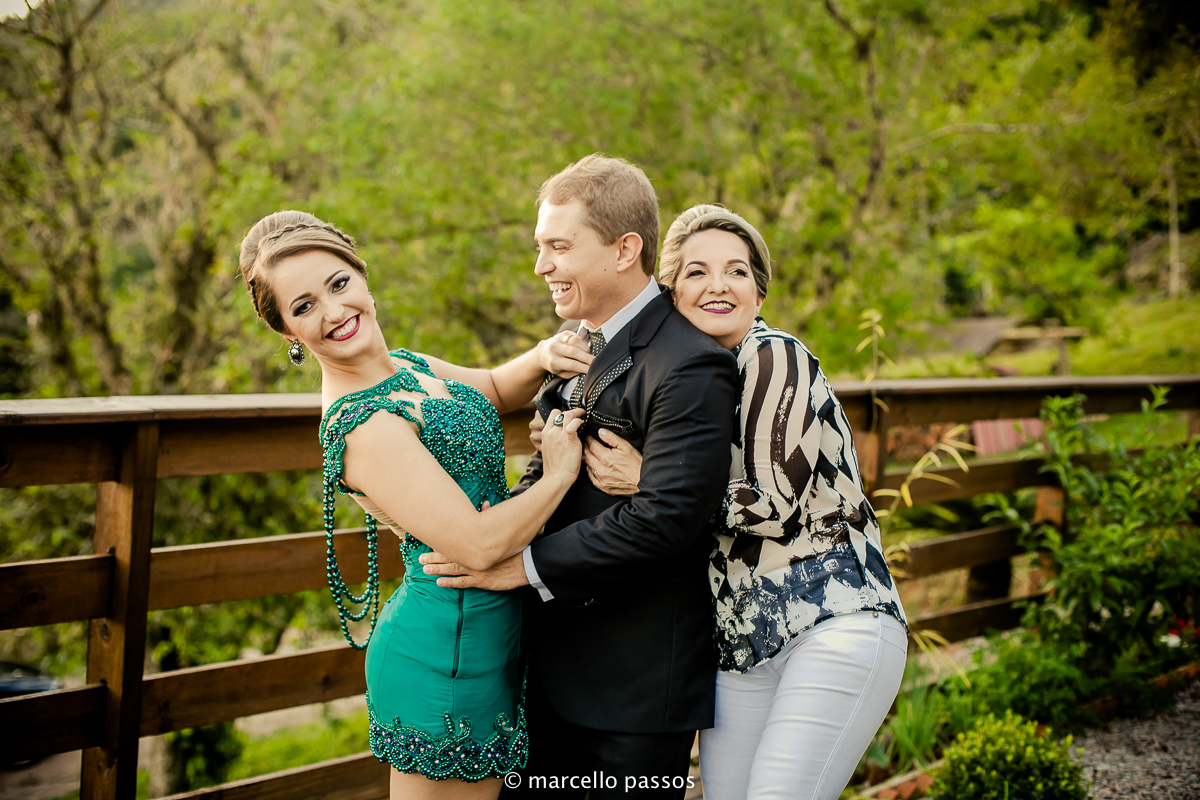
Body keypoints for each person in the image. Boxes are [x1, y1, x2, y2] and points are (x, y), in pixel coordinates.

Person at [237, 210, 589, 800]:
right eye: (304, 307)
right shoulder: (363, 424)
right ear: (288, 334)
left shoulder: (405, 366)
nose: (334, 311)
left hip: (493, 631)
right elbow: (478, 544)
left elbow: (493, 389)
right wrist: (557, 475)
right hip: (445, 651)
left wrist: (542, 356)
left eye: (339, 283)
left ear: (361, 275)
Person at [421, 156, 740, 799]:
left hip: (630, 692)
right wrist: (472, 530)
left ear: (625, 250)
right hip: (549, 674)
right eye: (541, 247)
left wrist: (520, 567)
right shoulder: (577, 344)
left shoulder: (689, 364)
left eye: (559, 247)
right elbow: (546, 475)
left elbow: (666, 519)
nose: (542, 266)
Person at [578, 205, 909, 800]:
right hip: (740, 643)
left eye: (737, 271)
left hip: (828, 616)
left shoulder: (773, 354)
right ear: (670, 292)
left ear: (759, 292)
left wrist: (650, 478)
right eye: (697, 271)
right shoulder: (682, 377)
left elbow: (770, 505)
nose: (719, 286)